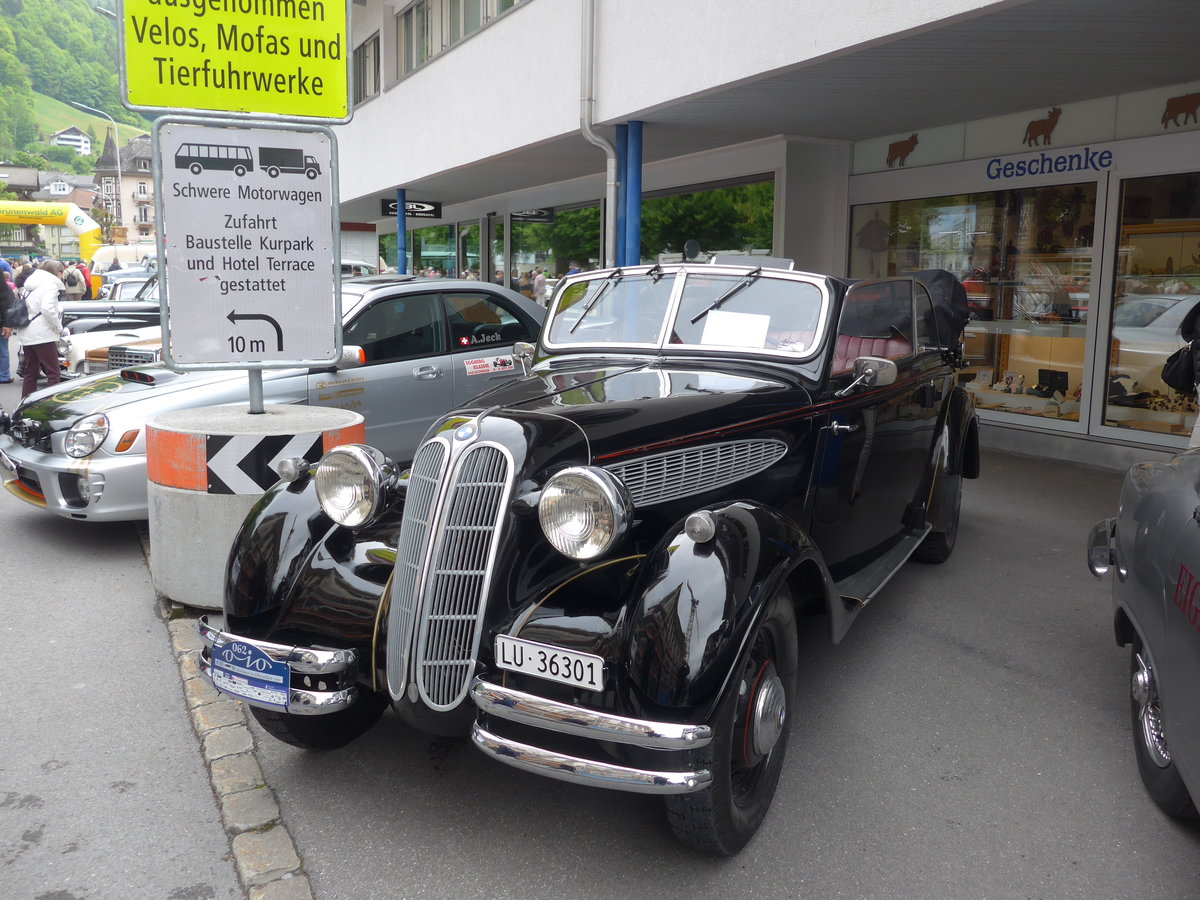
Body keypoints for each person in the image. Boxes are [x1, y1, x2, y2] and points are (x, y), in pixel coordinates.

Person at [14, 259, 66, 398]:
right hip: (42, 333)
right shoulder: (50, 286)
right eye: (61, 271)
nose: (63, 274)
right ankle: (50, 405)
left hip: (27, 331)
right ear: (56, 272)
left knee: (31, 371)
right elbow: (48, 309)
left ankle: (25, 404)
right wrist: (59, 327)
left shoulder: (29, 285)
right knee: (53, 372)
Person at [0, 275, 18, 383]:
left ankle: (3, 375)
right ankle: (3, 375)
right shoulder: (5, 290)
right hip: (2, 323)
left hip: (2, 323)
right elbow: (9, 307)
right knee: (2, 350)